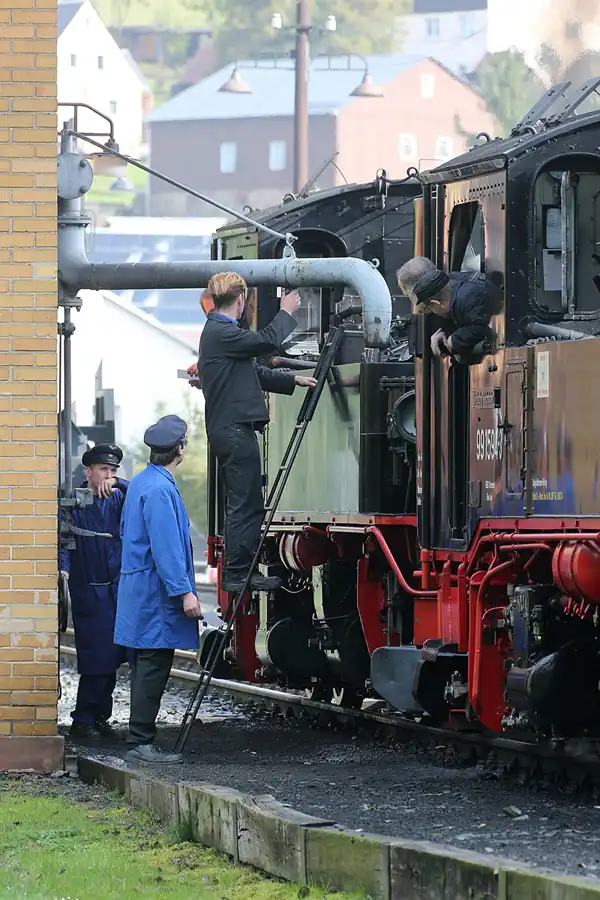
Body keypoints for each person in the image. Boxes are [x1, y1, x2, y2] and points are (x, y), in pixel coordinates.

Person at [198, 272, 316, 594]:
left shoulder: (220, 334)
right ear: (240, 301)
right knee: (245, 504)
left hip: (232, 429)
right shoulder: (221, 331)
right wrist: (287, 310)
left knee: (246, 501)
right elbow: (265, 341)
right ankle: (237, 573)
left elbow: (254, 372)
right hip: (234, 430)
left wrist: (292, 380)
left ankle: (241, 571)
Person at [114, 414, 202, 764]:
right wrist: (185, 592)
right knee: (153, 663)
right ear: (180, 449)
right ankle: (141, 742)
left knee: (144, 663)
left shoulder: (141, 481)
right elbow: (166, 546)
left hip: (140, 588)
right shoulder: (161, 489)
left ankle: (140, 738)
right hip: (155, 593)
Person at [59, 443, 130, 741]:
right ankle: (84, 719)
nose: (107, 476)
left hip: (116, 592)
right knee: (95, 658)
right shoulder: (73, 502)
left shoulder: (118, 500)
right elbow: (62, 541)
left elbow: (140, 492)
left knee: (112, 657)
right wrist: (62, 572)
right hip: (89, 589)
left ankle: (101, 715)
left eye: (112, 471)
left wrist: (118, 483)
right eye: (103, 470)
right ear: (88, 471)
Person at [396, 256, 500, 363]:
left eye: (409, 296)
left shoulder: (469, 297)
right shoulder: (454, 284)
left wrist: (455, 340)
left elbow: (482, 328)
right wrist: (446, 334)